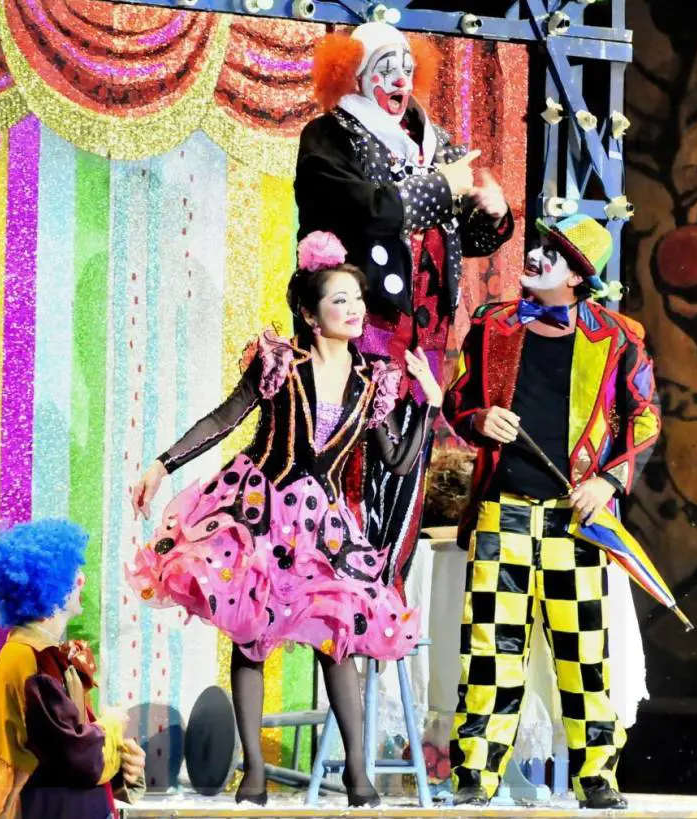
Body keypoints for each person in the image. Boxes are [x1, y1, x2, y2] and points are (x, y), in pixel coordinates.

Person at [126, 231, 443, 807]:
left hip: (323, 523)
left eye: (357, 299)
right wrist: (162, 465)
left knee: (338, 638)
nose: (355, 309)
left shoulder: (373, 380)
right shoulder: (280, 363)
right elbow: (224, 418)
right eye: (340, 300)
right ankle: (254, 773)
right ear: (312, 315)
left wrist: (430, 404)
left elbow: (397, 459)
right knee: (250, 633)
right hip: (261, 510)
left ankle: (358, 776)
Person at [444, 214, 661, 809]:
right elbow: (457, 399)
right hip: (504, 511)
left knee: (583, 652)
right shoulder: (492, 325)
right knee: (490, 651)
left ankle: (597, 776)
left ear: (575, 276)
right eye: (539, 246)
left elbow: (645, 418)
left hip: (574, 520)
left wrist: (609, 481)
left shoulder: (618, 338)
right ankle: (474, 774)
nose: (535, 257)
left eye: (552, 253)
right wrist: (479, 419)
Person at [295, 22, 514, 593]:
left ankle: (387, 606)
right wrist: (442, 187)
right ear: (355, 76)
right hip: (363, 334)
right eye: (385, 69)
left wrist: (491, 212)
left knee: (405, 479)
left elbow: (463, 235)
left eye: (407, 68)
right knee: (353, 474)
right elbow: (366, 209)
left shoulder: (434, 142)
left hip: (423, 342)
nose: (400, 80)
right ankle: (345, 603)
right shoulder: (330, 136)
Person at [0, 519, 146, 819]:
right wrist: (114, 725)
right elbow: (76, 758)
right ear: (50, 586)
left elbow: (62, 752)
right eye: (74, 574)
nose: (82, 581)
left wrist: (124, 766)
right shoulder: (31, 659)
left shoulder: (42, 655)